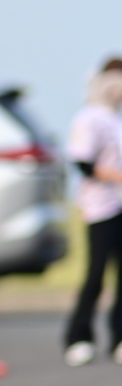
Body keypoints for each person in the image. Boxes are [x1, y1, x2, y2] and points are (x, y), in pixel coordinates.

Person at [63, 58, 122, 365]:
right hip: (100, 207)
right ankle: (78, 336)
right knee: (96, 273)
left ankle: (119, 338)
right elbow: (82, 163)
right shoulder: (90, 118)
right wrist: (117, 176)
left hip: (120, 204)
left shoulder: (115, 119)